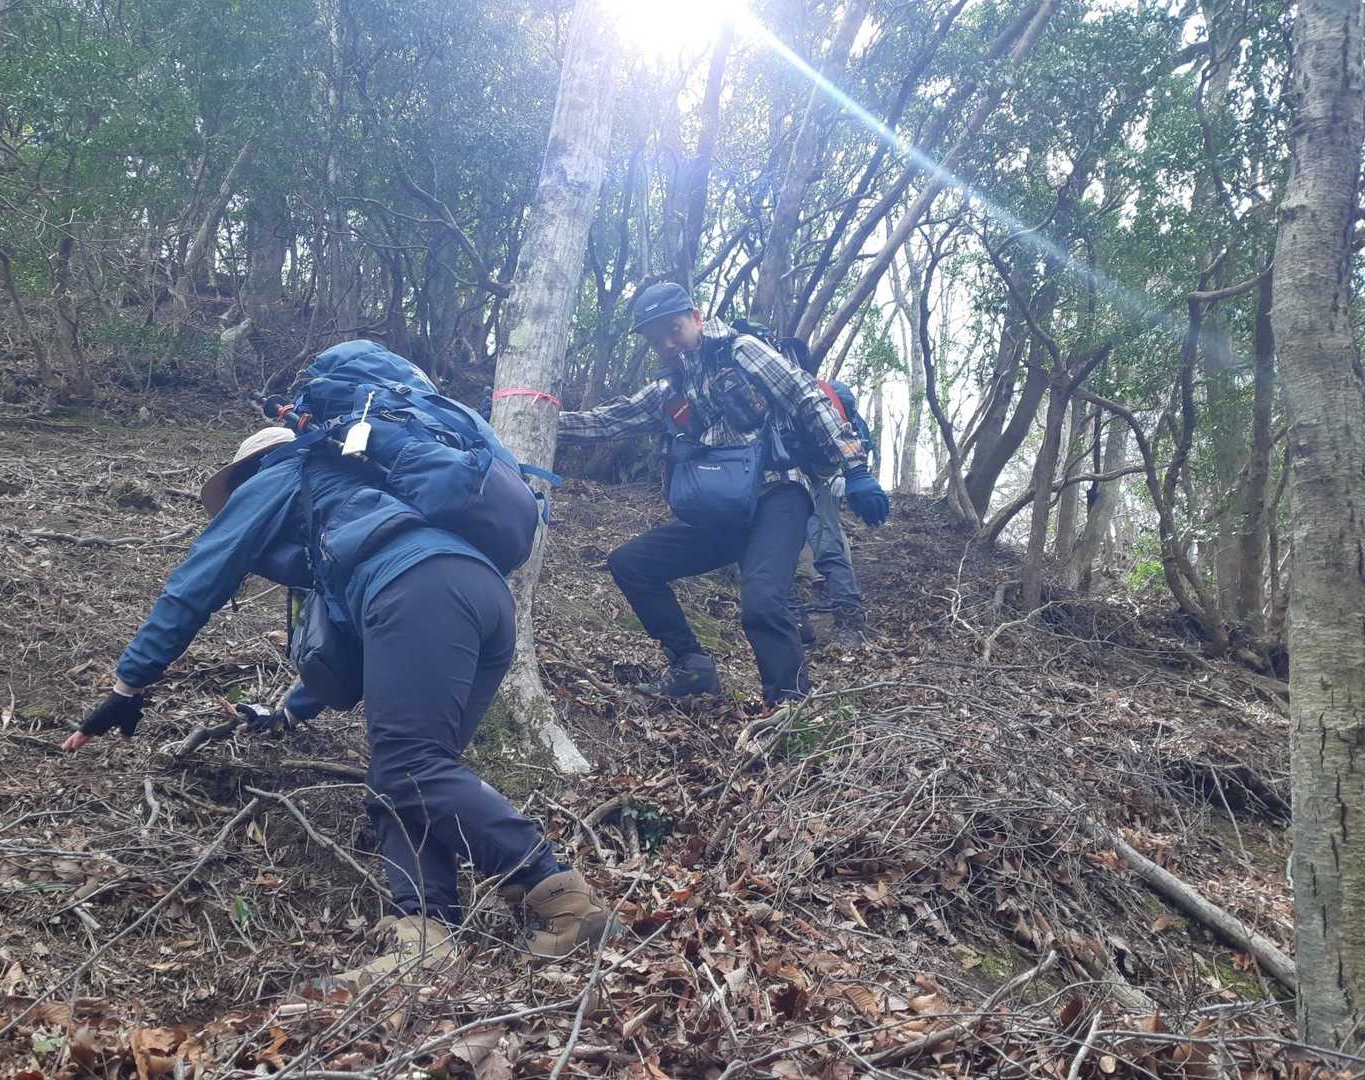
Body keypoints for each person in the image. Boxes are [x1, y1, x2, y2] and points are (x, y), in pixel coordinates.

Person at [61, 422, 615, 987]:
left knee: (409, 767)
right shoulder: (361, 493)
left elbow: (194, 583)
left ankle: (564, 898)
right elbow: (349, 642)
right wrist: (293, 710)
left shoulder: (278, 475)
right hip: (478, 598)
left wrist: (128, 685)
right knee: (401, 776)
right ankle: (424, 935)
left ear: (251, 472)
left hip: (422, 590)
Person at [556, 281, 890, 707]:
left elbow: (806, 397)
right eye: (656, 340)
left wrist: (855, 468)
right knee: (631, 564)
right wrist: (535, 415)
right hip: (720, 511)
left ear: (696, 318)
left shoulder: (742, 351)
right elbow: (609, 421)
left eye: (673, 330)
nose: (668, 344)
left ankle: (789, 707)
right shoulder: (668, 388)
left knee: (762, 602)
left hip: (777, 494)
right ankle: (692, 666)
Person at [794, 374, 874, 649]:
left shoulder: (809, 394)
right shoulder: (811, 390)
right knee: (818, 541)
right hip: (807, 476)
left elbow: (839, 433)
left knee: (824, 542)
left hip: (817, 476)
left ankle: (849, 621)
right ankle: (803, 621)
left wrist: (856, 473)